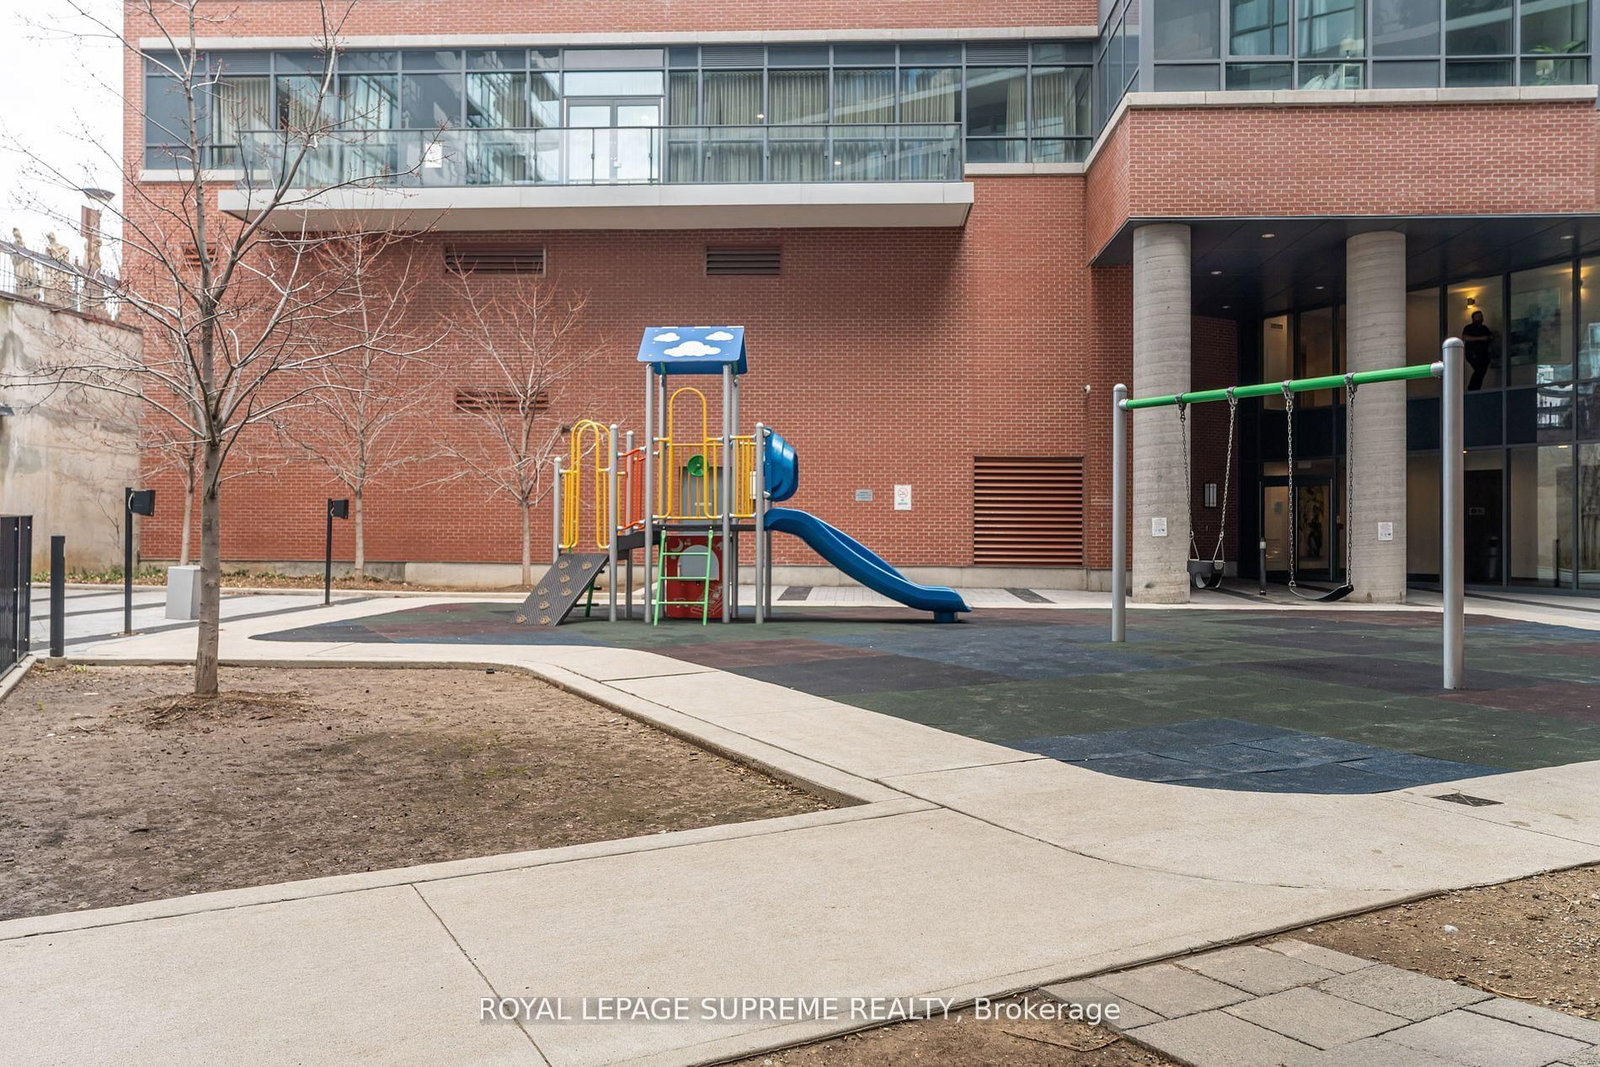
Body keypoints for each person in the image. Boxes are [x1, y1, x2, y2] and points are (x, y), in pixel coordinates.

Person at [1461, 310, 1495, 391]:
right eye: (1477, 317)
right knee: (1479, 370)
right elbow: (1465, 337)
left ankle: (1475, 388)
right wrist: (1480, 338)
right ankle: (1472, 389)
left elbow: (1490, 337)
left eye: (1481, 316)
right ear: (1473, 318)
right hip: (1473, 353)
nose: (1480, 318)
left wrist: (1490, 338)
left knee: (1481, 371)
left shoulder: (1484, 328)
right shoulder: (1469, 327)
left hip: (1484, 354)